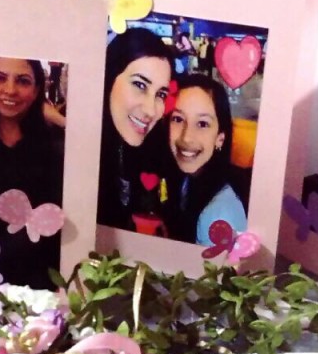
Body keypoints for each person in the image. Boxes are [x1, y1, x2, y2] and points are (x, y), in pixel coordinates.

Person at [0, 55, 64, 289]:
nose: (10, 90)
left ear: (37, 89)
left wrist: (60, 120)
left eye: (23, 81)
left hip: (41, 286)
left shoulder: (56, 150)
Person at [151, 73, 246, 245]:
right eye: (178, 119)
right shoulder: (186, 180)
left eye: (202, 124)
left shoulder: (218, 217)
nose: (187, 137)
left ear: (220, 138)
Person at [97, 27, 173, 231]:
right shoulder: (72, 159)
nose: (150, 110)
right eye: (140, 85)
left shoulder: (138, 149)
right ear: (109, 77)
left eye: (161, 94)